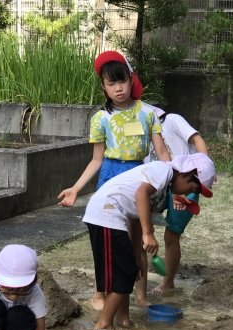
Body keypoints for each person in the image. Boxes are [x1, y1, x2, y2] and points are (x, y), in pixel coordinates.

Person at [57, 50, 171, 310]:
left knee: (138, 239)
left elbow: (162, 153)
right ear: (104, 87)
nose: (118, 88)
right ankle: (100, 293)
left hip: (139, 178)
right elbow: (97, 160)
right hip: (109, 177)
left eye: (122, 81)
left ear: (131, 80)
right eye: (111, 84)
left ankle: (140, 295)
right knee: (106, 240)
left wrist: (172, 181)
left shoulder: (148, 113)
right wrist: (75, 189)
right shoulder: (100, 118)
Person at [82, 153, 215, 329]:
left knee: (128, 270)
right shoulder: (163, 169)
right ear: (187, 173)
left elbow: (136, 219)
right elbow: (141, 193)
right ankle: (104, 324)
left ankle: (123, 320)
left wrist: (137, 257)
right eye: (191, 189)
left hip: (112, 216)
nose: (187, 194)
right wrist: (148, 233)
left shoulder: (162, 188)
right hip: (106, 213)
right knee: (121, 275)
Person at [133, 108, 212, 304]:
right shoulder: (142, 127)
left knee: (171, 235)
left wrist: (204, 168)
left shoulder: (172, 120)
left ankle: (168, 281)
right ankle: (140, 282)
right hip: (160, 183)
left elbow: (197, 139)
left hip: (187, 182)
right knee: (143, 226)